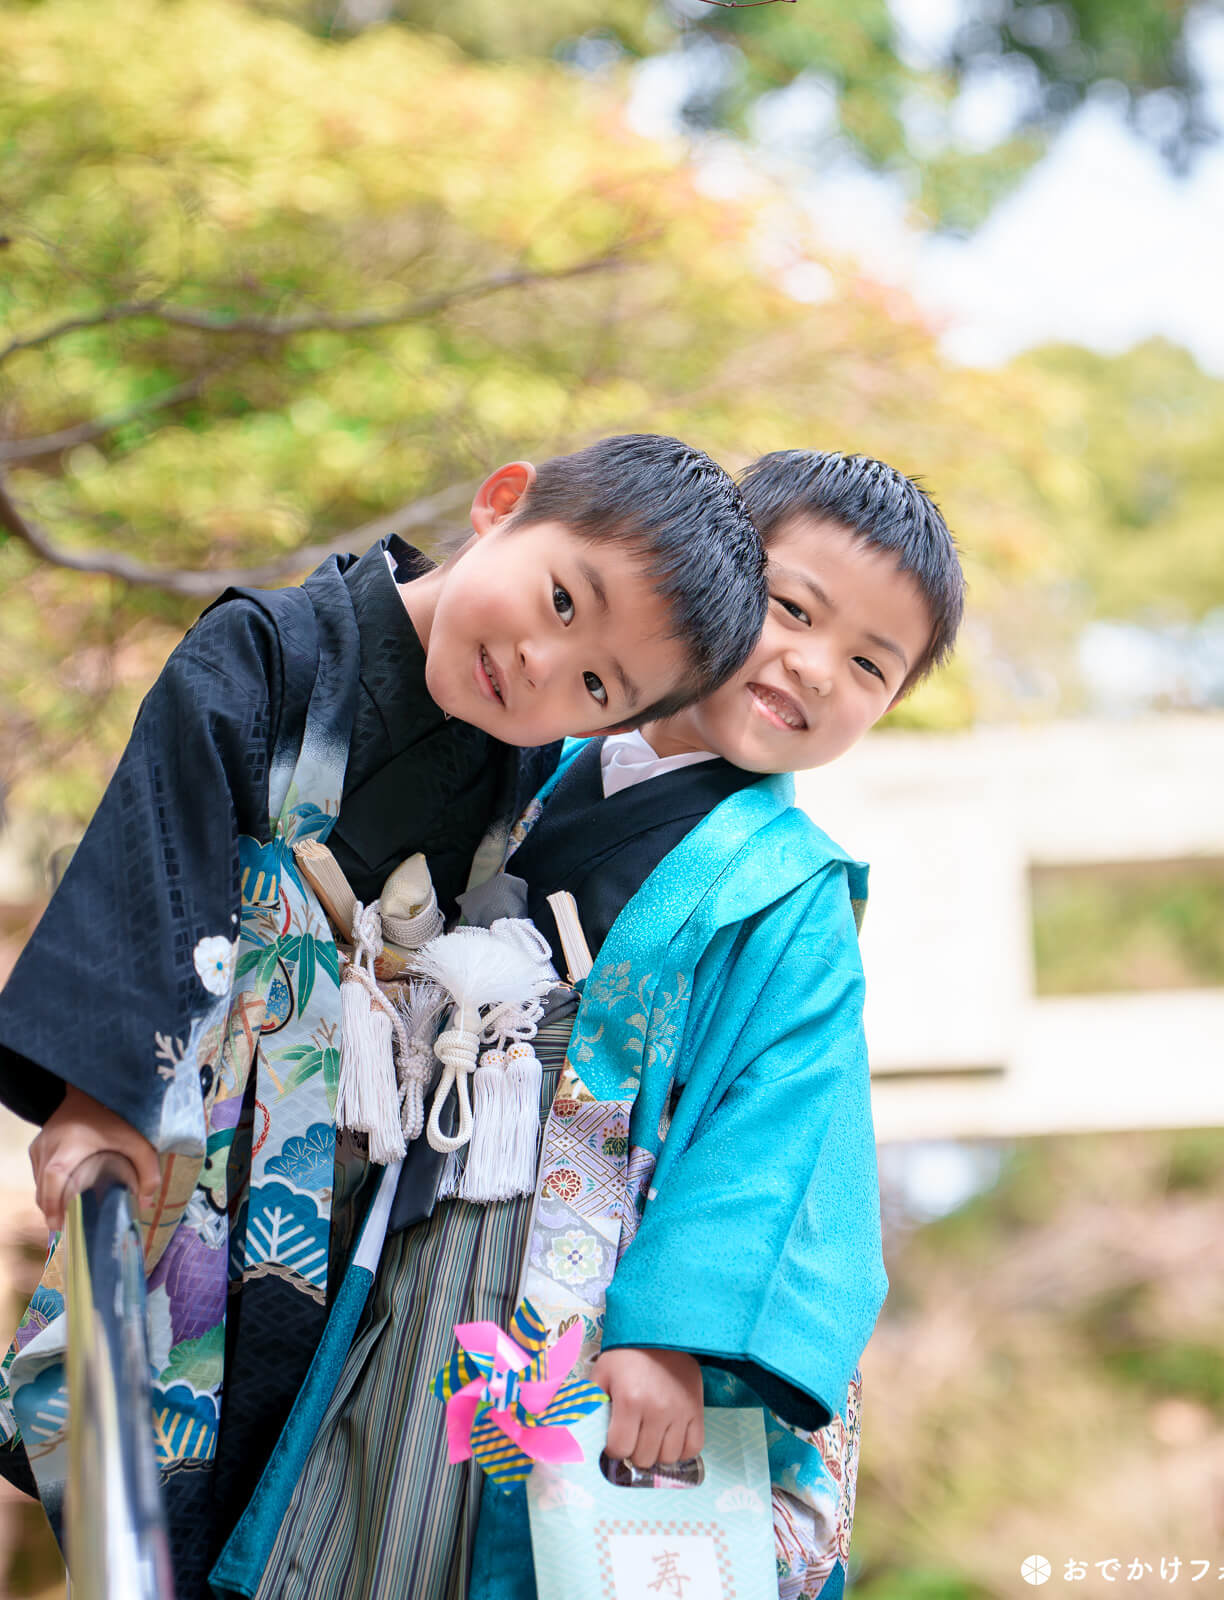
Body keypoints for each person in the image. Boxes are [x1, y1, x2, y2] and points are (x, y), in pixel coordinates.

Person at [0, 434, 767, 1600]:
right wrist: (94, 1100)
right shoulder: (269, 651)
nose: (539, 662)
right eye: (561, 599)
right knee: (143, 1457)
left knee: (283, 1473)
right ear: (502, 502)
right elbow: (156, 857)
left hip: (352, 1172)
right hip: (197, 1116)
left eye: (596, 685)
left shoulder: (515, 772)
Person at [223, 450, 963, 1600]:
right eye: (789, 609)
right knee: (370, 1493)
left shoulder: (790, 888)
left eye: (867, 664)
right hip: (417, 1195)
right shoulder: (536, 748)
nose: (811, 667)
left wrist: (673, 1333)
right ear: (708, 584)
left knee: (496, 1536)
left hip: (589, 1262)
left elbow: (785, 1126)